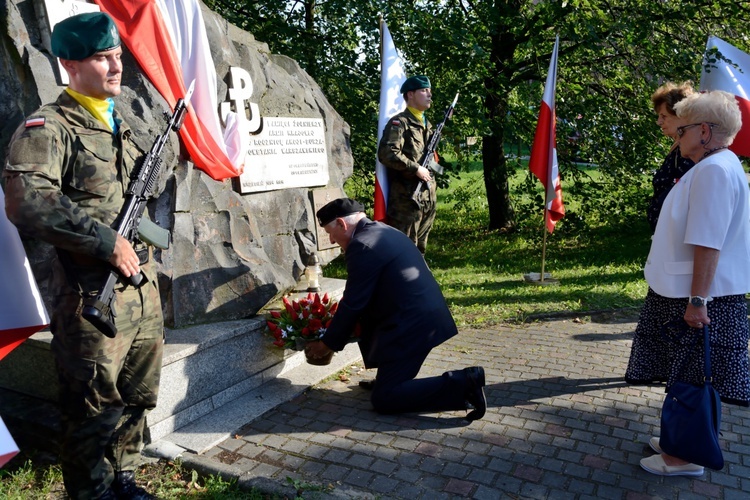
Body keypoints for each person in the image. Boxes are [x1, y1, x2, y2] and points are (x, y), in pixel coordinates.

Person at [2, 13, 163, 499]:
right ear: (69, 63)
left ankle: (125, 478)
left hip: (141, 292)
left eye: (117, 55)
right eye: (101, 57)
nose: (116, 67)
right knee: (92, 407)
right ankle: (90, 493)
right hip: (88, 297)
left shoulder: (123, 121)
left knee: (138, 397)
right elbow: (26, 199)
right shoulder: (48, 126)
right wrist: (105, 241)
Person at [638, 90, 750, 477]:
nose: (675, 137)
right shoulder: (716, 165)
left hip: (701, 296)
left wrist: (697, 300)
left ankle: (682, 459)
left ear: (704, 131)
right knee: (686, 374)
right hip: (693, 292)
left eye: (681, 129)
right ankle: (679, 442)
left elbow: (708, 241)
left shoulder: (714, 171)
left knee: (690, 377)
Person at [305, 198, 487, 420]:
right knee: (388, 385)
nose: (332, 240)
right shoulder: (383, 231)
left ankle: (466, 383)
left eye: (330, 233)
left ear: (342, 224)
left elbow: (354, 303)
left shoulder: (361, 245)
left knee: (385, 398)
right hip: (418, 317)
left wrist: (327, 344)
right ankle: (389, 380)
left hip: (413, 326)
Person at [625, 81, 696, 385]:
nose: (659, 122)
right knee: (657, 314)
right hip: (666, 245)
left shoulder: (694, 154)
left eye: (664, 116)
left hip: (679, 251)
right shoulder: (678, 149)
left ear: (682, 116)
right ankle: (656, 369)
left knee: (669, 318)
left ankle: (673, 374)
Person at [378, 75, 439, 254]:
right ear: (410, 94)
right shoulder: (400, 123)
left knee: (420, 248)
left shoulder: (428, 125)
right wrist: (415, 168)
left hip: (427, 196)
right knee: (404, 249)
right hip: (407, 198)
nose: (429, 95)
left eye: (429, 91)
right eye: (424, 90)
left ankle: (417, 279)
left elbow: (432, 159)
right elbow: (387, 153)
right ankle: (400, 281)